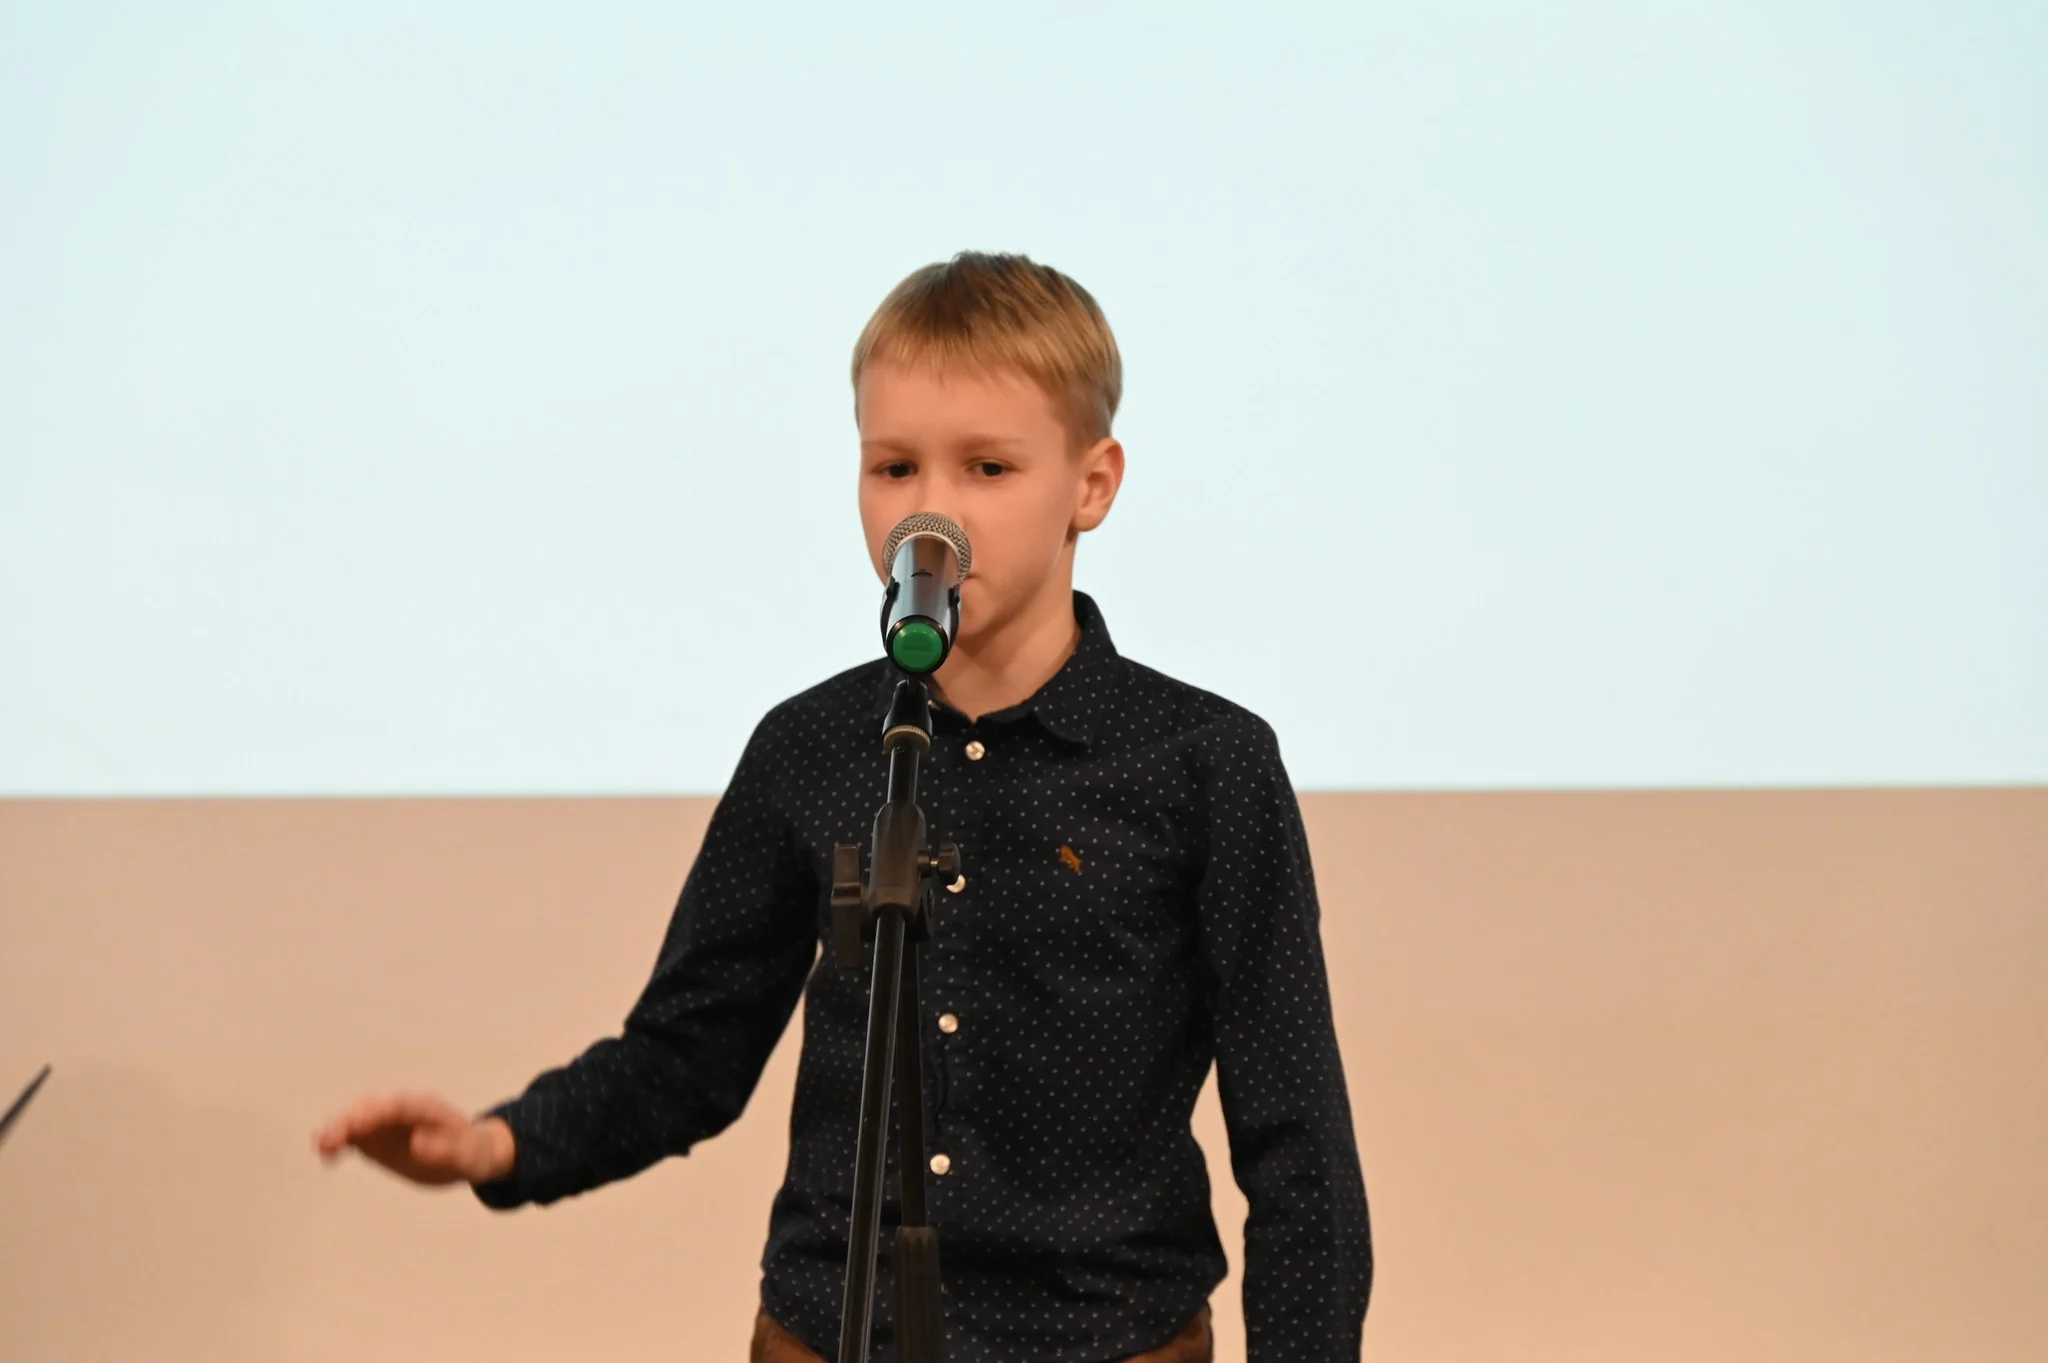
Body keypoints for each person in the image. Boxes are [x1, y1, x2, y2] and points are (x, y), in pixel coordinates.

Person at [313, 252, 1372, 1362]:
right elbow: (689, 1049)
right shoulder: (811, 747)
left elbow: (1298, 1140)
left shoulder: (1203, 763)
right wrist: (494, 1145)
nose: (930, 510)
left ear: (1092, 485)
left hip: (1106, 1336)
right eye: (893, 466)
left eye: (988, 467)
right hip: (829, 1334)